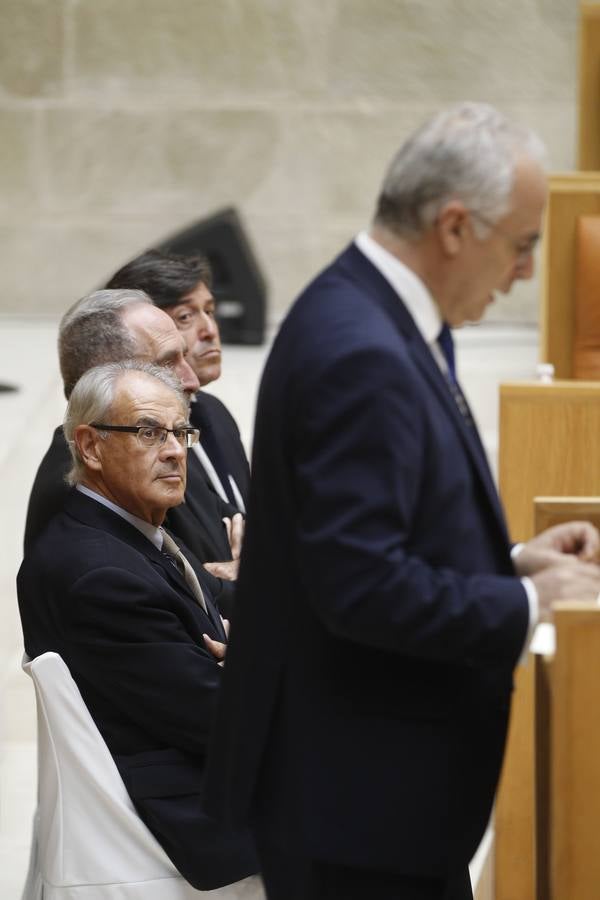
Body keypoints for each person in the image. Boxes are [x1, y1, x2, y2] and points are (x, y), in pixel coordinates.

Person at [204, 102, 600, 900]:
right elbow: (359, 586)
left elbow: (371, 531)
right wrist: (525, 603)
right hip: (354, 801)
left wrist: (509, 560)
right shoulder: (362, 351)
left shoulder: (380, 312)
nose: (526, 272)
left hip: (370, 791)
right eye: (522, 245)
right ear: (455, 227)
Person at [17, 360, 263, 896]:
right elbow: (226, 725)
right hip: (187, 813)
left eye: (181, 432)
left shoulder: (127, 532)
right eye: (149, 432)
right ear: (89, 446)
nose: (176, 451)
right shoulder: (101, 574)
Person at [24, 289, 241, 609]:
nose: (192, 380)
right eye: (167, 364)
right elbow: (197, 601)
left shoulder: (163, 440)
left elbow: (232, 522)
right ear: (107, 376)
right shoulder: (86, 482)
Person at [106, 249, 250, 513]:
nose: (210, 330)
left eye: (209, 311)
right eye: (186, 316)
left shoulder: (215, 411)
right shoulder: (130, 439)